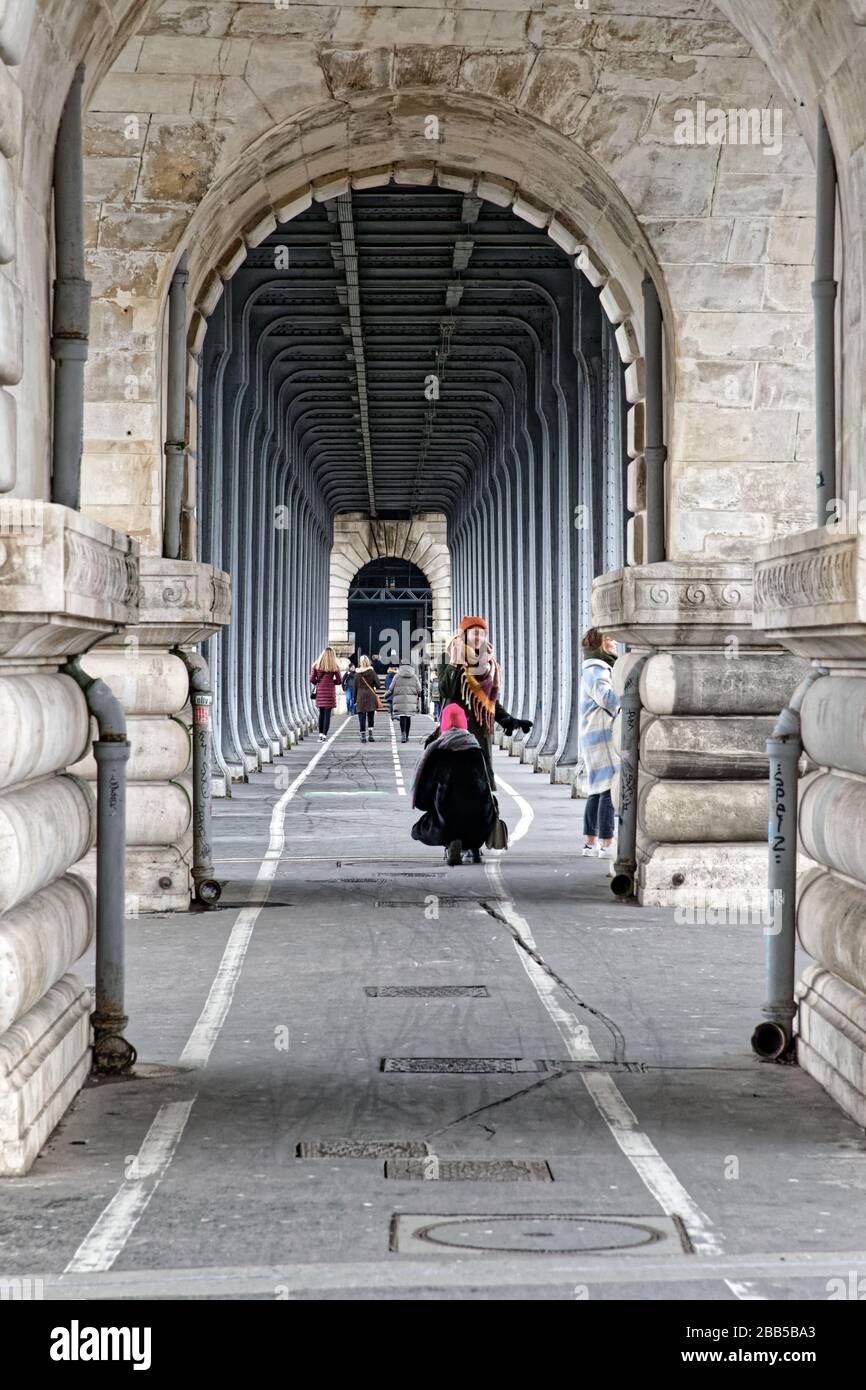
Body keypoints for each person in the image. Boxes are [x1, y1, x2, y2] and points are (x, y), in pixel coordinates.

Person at [437, 615, 532, 788]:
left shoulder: (488, 663)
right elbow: (445, 691)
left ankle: (487, 814)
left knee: (481, 784)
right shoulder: (447, 658)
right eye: (474, 633)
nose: (478, 637)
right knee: (456, 783)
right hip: (455, 730)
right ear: (464, 634)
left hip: (480, 731)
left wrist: (507, 719)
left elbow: (489, 700)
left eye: (482, 634)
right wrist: (455, 664)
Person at [411, 703, 497, 866]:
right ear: (464, 723)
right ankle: (473, 847)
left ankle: (451, 844)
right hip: (481, 822)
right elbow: (489, 786)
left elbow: (423, 798)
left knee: (420, 828)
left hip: (446, 822)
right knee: (480, 805)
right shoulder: (478, 751)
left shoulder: (437, 753)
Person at [578, 627, 620, 859]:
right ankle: (606, 843)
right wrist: (627, 699)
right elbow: (607, 698)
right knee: (607, 788)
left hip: (592, 733)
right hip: (601, 733)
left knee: (596, 789)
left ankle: (589, 843)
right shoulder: (597, 668)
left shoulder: (594, 667)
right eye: (609, 639)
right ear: (599, 644)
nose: (614, 643)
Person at [310, 646, 342, 740]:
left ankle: (320, 734)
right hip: (330, 693)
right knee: (327, 714)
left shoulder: (316, 665)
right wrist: (332, 682)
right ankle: (324, 735)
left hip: (320, 692)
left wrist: (318, 683)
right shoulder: (334, 666)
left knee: (321, 713)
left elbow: (312, 679)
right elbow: (339, 680)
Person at [389, 658, 421, 742]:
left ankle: (403, 734)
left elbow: (391, 688)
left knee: (402, 716)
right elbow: (419, 688)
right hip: (411, 700)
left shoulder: (397, 676)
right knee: (408, 717)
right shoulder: (414, 676)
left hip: (400, 699)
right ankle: (407, 735)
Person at [354, 654, 381, 742]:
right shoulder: (372, 672)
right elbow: (378, 685)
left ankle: (363, 736)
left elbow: (355, 688)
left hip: (360, 696)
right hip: (370, 696)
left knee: (361, 717)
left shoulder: (357, 674)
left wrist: (355, 700)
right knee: (370, 716)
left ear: (360, 662)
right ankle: (370, 735)